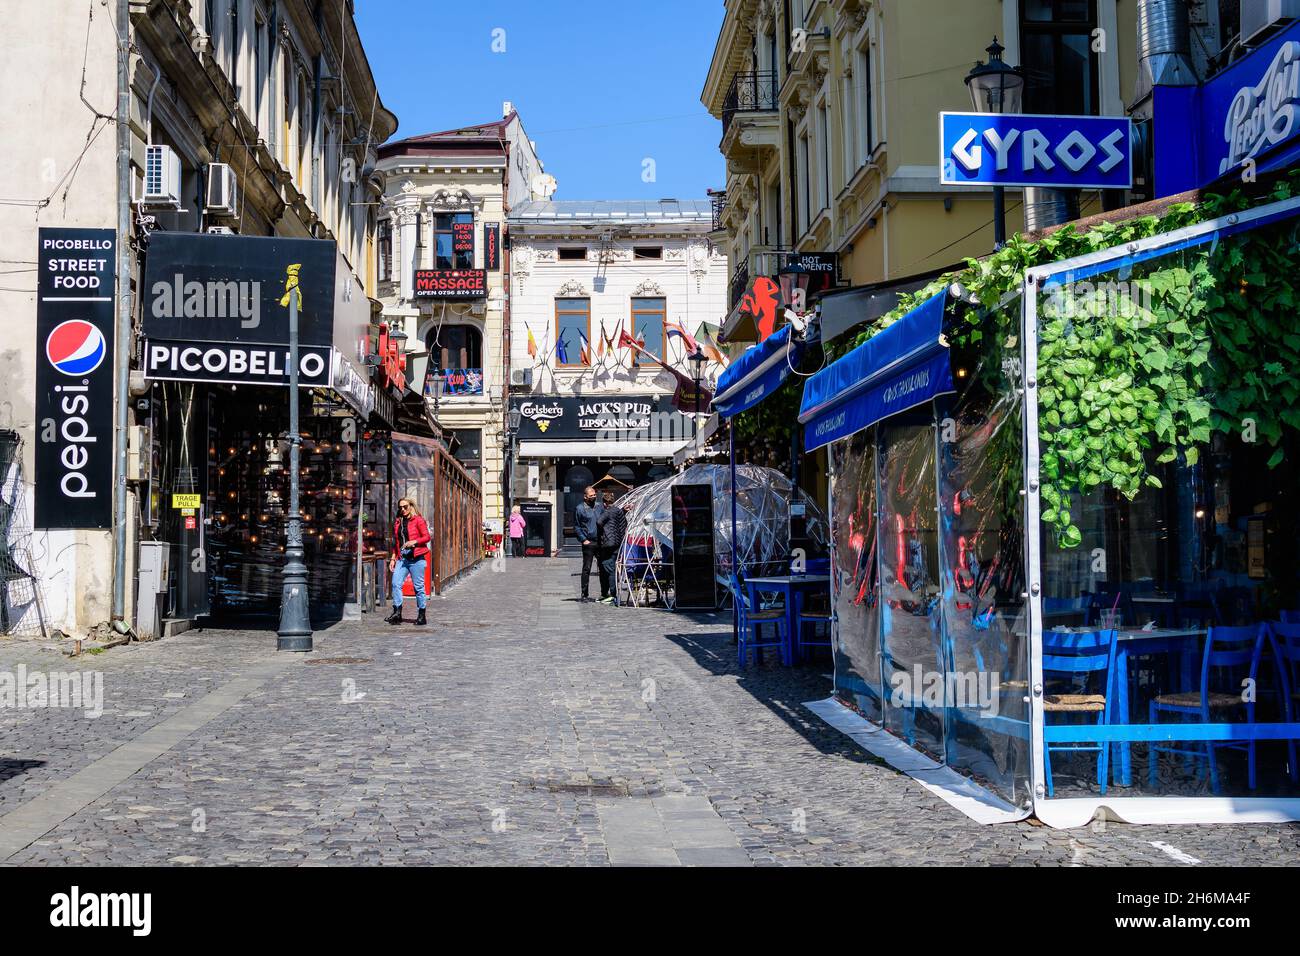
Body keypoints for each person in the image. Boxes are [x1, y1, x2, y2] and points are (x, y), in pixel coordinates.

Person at [387, 496, 430, 625]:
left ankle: (422, 616)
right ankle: (397, 613)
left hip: (416, 559)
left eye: (405, 507)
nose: (403, 509)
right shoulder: (398, 522)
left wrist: (414, 542)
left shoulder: (418, 520)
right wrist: (393, 558)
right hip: (402, 559)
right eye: (400, 508)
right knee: (395, 583)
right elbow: (396, 543)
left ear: (411, 506)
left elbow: (427, 537)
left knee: (418, 588)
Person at [596, 490, 628, 605]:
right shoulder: (619, 511)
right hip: (618, 543)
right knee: (613, 566)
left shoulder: (608, 512)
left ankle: (613, 595)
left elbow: (599, 522)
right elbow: (625, 524)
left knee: (608, 567)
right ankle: (611, 594)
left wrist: (605, 531)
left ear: (605, 503)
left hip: (608, 544)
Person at [574, 486, 603, 601]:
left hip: (600, 542)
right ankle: (584, 594)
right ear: (585, 497)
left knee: (603, 568)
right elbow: (577, 526)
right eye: (591, 496)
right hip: (589, 542)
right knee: (587, 568)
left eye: (595, 495)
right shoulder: (580, 508)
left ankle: (604, 593)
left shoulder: (599, 506)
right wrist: (583, 539)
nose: (594, 497)